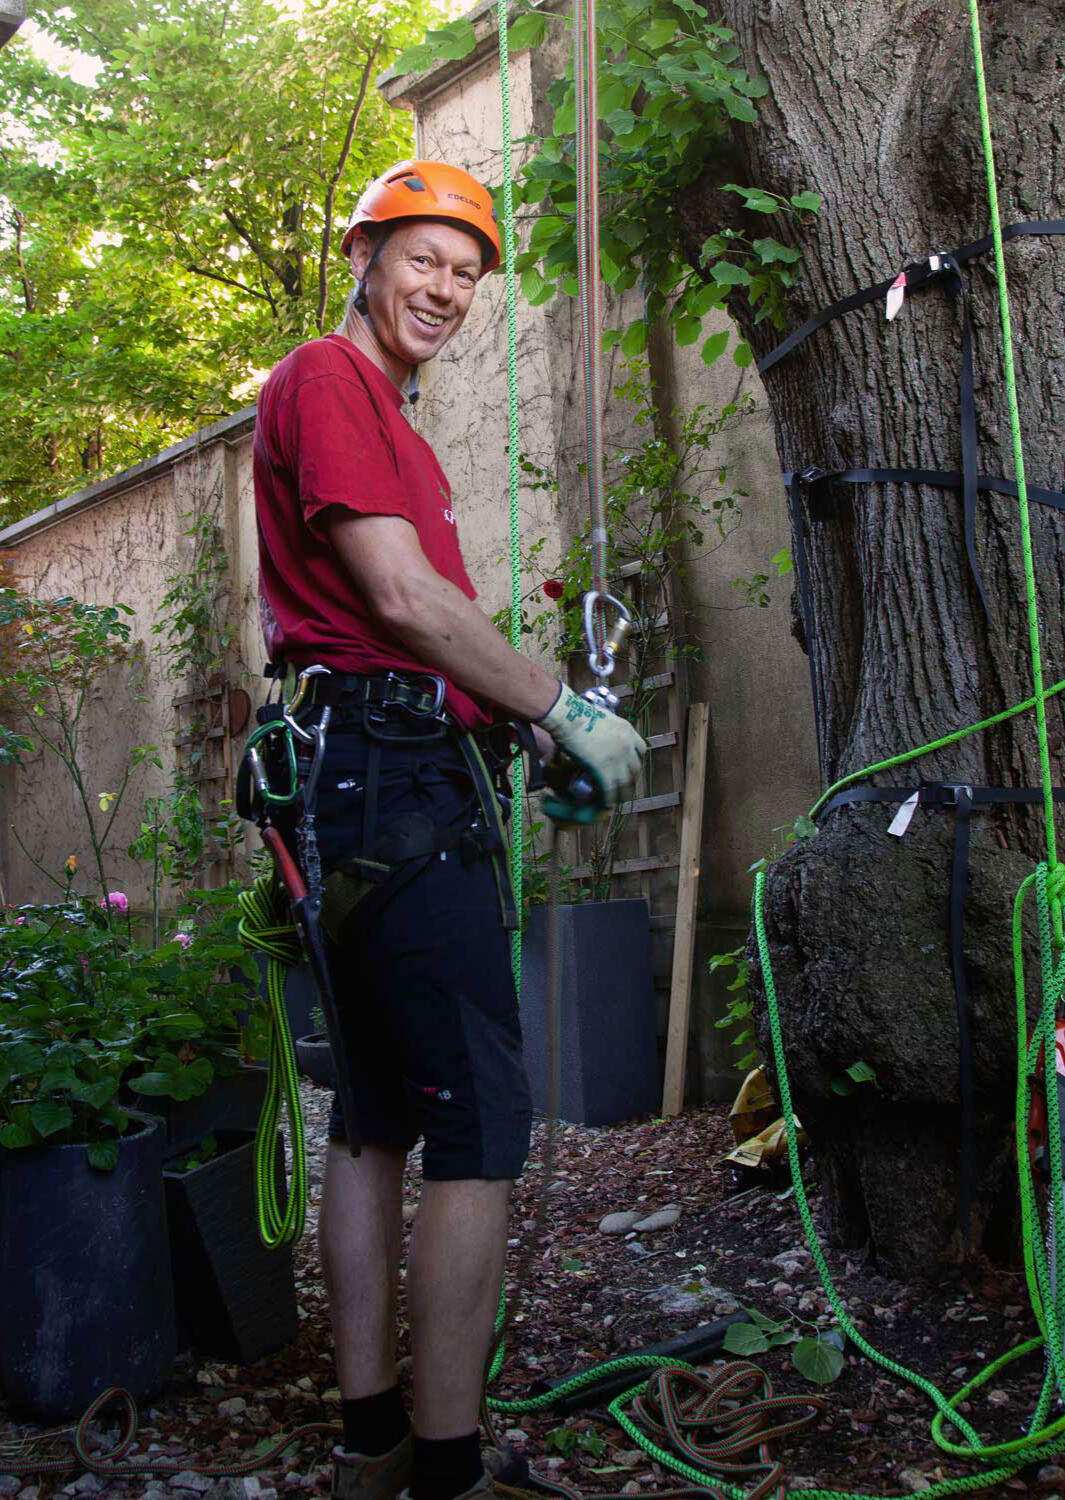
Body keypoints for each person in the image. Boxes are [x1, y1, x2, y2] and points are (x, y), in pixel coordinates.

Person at [252, 159, 647, 1500]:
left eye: (467, 272)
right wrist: (563, 707)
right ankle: (447, 1467)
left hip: (362, 767)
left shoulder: (392, 428)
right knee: (478, 1119)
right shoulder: (328, 381)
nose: (446, 288)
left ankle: (372, 1445)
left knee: (371, 1116)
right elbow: (405, 602)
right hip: (382, 775)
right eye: (424, 258)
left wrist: (518, 729)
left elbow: (408, 633)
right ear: (365, 255)